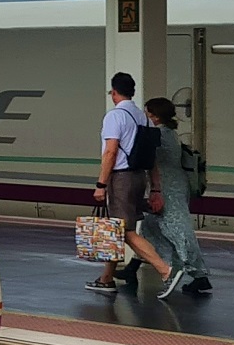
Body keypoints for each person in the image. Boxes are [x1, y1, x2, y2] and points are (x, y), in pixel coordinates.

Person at [89, 72, 172, 293]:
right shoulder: (144, 118)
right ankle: (106, 279)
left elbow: (110, 152)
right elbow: (152, 158)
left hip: (121, 179)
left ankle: (165, 270)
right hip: (139, 177)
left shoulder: (115, 116)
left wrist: (101, 184)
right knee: (117, 228)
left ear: (114, 92)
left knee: (124, 231)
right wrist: (155, 188)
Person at [142, 98, 211, 297]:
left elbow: (150, 159)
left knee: (177, 231)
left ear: (155, 116)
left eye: (147, 113)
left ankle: (195, 272)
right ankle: (180, 269)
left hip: (166, 189)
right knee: (153, 228)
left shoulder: (159, 135)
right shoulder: (171, 133)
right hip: (174, 186)